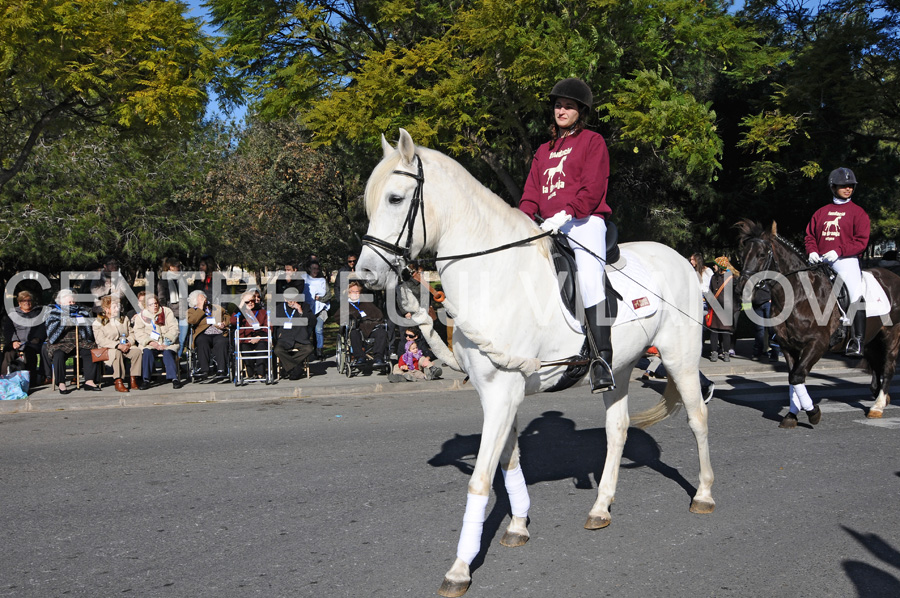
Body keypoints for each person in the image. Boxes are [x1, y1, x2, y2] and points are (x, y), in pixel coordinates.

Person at [518, 77, 613, 393]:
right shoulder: (543, 151)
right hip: (549, 225)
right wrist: (522, 220)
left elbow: (593, 186)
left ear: (580, 112)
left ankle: (602, 360)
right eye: (558, 105)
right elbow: (531, 191)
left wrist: (567, 213)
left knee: (587, 277)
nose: (562, 110)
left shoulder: (592, 142)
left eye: (569, 106)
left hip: (585, 222)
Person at [804, 167, 870, 357]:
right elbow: (810, 236)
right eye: (843, 186)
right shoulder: (821, 213)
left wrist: (839, 251)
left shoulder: (858, 213)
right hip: (821, 260)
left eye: (850, 186)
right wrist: (812, 251)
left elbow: (861, 241)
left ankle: (857, 340)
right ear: (833, 187)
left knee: (855, 292)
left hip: (846, 260)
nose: (848, 189)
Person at [45, 289, 101, 394]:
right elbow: (51, 332)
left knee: (90, 352)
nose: (72, 304)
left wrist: (81, 321)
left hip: (79, 341)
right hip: (60, 342)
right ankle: (61, 383)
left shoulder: (82, 311)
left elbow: (88, 329)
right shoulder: (53, 312)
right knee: (58, 355)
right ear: (60, 303)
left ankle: (89, 381)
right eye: (69, 302)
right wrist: (66, 321)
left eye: (73, 302)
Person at [92, 295, 142, 392]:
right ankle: (118, 380)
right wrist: (117, 346)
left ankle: (133, 378)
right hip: (109, 348)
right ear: (106, 309)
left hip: (125, 345)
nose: (118, 308)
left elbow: (131, 333)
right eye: (114, 307)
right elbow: (100, 340)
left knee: (137, 352)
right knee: (117, 353)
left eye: (119, 306)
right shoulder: (98, 322)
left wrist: (129, 343)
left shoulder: (124, 319)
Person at [133, 294, 183, 389]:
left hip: (166, 341)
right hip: (151, 343)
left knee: (168, 353)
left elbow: (174, 328)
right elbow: (138, 332)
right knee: (147, 352)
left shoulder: (166, 311)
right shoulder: (141, 316)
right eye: (151, 304)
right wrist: (151, 342)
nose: (155, 306)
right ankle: (146, 379)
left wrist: (166, 342)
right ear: (147, 306)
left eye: (156, 303)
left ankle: (174, 379)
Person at [1, 290, 46, 383]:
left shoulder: (38, 313)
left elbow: (42, 329)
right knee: (8, 354)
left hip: (32, 342)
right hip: (15, 342)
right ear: (19, 302)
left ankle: (30, 380)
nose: (27, 303)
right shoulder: (12, 314)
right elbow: (8, 330)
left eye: (29, 300)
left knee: (30, 354)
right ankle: (4, 380)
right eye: (23, 301)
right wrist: (14, 341)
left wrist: (36, 339)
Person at [186, 290, 230, 383]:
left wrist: (224, 323)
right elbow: (192, 321)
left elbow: (227, 316)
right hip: (203, 334)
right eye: (201, 298)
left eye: (204, 297)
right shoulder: (191, 311)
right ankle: (204, 370)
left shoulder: (216, 308)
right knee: (201, 341)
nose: (205, 299)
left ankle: (221, 370)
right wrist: (200, 308)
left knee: (222, 341)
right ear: (195, 301)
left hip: (218, 332)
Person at [273, 287, 317, 379]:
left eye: (294, 299)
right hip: (285, 338)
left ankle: (287, 367)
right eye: (289, 300)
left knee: (309, 349)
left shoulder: (305, 306)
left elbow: (313, 322)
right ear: (285, 299)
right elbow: (275, 325)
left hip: (300, 338)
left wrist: (301, 312)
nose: (292, 302)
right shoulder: (279, 308)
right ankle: (297, 368)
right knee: (277, 350)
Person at [346, 281, 387, 368]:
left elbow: (378, 314)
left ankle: (378, 358)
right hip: (357, 328)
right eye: (353, 292)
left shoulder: (366, 303)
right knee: (354, 334)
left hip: (371, 327)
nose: (356, 294)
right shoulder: (346, 305)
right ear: (349, 293)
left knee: (381, 332)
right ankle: (360, 357)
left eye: (357, 292)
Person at [232, 290, 269, 379]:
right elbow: (233, 321)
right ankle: (251, 373)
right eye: (247, 302)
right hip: (246, 339)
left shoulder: (262, 312)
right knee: (244, 348)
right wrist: (241, 305)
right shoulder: (240, 313)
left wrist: (259, 336)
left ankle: (261, 373)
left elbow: (268, 326)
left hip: (260, 337)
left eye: (251, 301)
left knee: (262, 347)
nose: (250, 303)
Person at [157, 257, 189, 358]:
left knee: (182, 340)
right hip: (172, 313)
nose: (179, 268)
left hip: (184, 312)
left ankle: (177, 361)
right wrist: (166, 312)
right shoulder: (164, 281)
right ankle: (171, 361)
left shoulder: (182, 279)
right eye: (178, 266)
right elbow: (162, 298)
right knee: (171, 338)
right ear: (170, 267)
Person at [707, 258, 735, 362]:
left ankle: (726, 352)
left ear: (720, 267)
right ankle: (714, 352)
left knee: (725, 332)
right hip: (715, 308)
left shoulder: (730, 278)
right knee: (714, 331)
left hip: (726, 308)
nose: (713, 267)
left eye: (715, 265)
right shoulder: (713, 277)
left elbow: (735, 293)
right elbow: (710, 290)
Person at [303, 260, 331, 360]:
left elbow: (328, 295)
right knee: (308, 331)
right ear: (309, 269)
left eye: (317, 269)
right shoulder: (305, 279)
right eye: (313, 268)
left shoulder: (322, 281)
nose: (315, 270)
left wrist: (320, 299)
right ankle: (306, 351)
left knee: (319, 330)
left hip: (320, 309)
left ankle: (319, 351)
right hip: (308, 309)